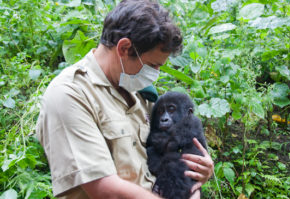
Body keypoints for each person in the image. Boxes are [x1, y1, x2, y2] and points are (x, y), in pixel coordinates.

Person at [36, 0, 214, 198]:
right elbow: (104, 189)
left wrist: (198, 173)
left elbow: (172, 153)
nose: (155, 74)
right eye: (151, 65)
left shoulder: (137, 89)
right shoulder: (70, 94)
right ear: (124, 48)